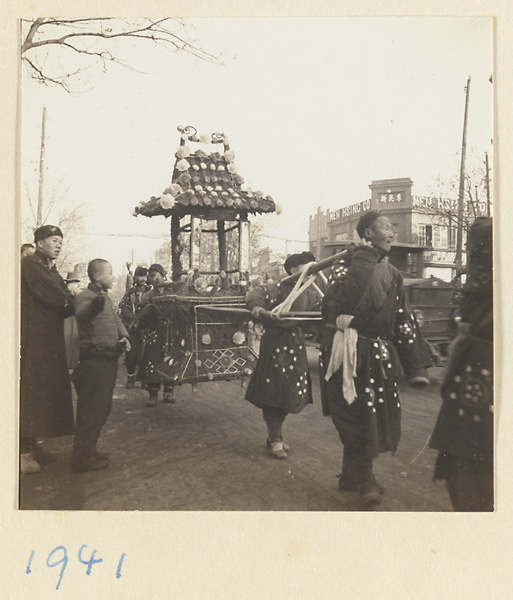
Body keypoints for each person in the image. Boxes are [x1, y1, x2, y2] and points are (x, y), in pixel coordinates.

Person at [320, 211, 432, 509]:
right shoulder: (346, 264)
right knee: (355, 416)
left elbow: (402, 316)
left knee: (372, 415)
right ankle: (365, 479)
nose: (392, 233)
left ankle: (350, 475)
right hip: (347, 351)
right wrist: (363, 259)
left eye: (392, 228)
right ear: (368, 233)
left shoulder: (393, 274)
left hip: (377, 355)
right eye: (385, 228)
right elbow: (337, 303)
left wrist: (415, 365)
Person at [429, 217, 493, 511]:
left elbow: (474, 297)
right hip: (479, 361)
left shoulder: (487, 233)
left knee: (468, 469)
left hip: (480, 366)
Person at [245, 252, 321, 459]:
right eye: (307, 269)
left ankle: (274, 437)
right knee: (273, 393)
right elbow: (254, 295)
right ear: (294, 271)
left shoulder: (312, 291)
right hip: (276, 344)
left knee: (288, 394)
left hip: (296, 345)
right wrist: (260, 310)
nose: (310, 274)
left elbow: (324, 306)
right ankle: (275, 439)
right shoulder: (278, 287)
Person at [20, 225, 75, 474]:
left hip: (48, 340)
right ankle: (22, 453)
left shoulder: (50, 269)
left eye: (61, 241)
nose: (59, 245)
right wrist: (67, 299)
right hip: (32, 340)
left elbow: (65, 303)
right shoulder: (30, 265)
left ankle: (33, 446)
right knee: (29, 393)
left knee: (42, 394)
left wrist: (67, 300)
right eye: (54, 240)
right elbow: (57, 296)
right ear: (39, 242)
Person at [71, 259, 131, 473]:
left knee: (101, 409)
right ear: (98, 277)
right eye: (110, 272)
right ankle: (81, 459)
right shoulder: (84, 298)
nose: (113, 277)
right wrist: (96, 304)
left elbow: (115, 321)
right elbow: (82, 315)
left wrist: (124, 336)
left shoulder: (105, 298)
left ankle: (89, 451)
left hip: (108, 360)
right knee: (91, 411)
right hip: (94, 362)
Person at [136, 263, 176, 407]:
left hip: (171, 332)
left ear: (162, 275)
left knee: (171, 360)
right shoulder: (150, 294)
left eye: (155, 275)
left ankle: (168, 392)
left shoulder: (172, 290)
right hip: (155, 332)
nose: (152, 279)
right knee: (153, 361)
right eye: (150, 276)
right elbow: (141, 309)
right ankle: (153, 394)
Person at [119, 266, 150, 388]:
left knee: (147, 355)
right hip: (133, 328)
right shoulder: (130, 294)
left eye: (144, 276)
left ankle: (144, 379)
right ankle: (130, 377)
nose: (142, 279)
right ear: (135, 278)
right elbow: (124, 308)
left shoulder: (150, 292)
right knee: (131, 354)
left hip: (147, 327)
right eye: (140, 276)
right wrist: (134, 320)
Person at [63, 272, 82, 371]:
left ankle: (73, 364)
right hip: (66, 318)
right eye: (71, 282)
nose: (73, 284)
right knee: (67, 338)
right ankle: (67, 364)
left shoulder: (77, 292)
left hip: (75, 318)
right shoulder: (64, 291)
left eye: (75, 282)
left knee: (75, 337)